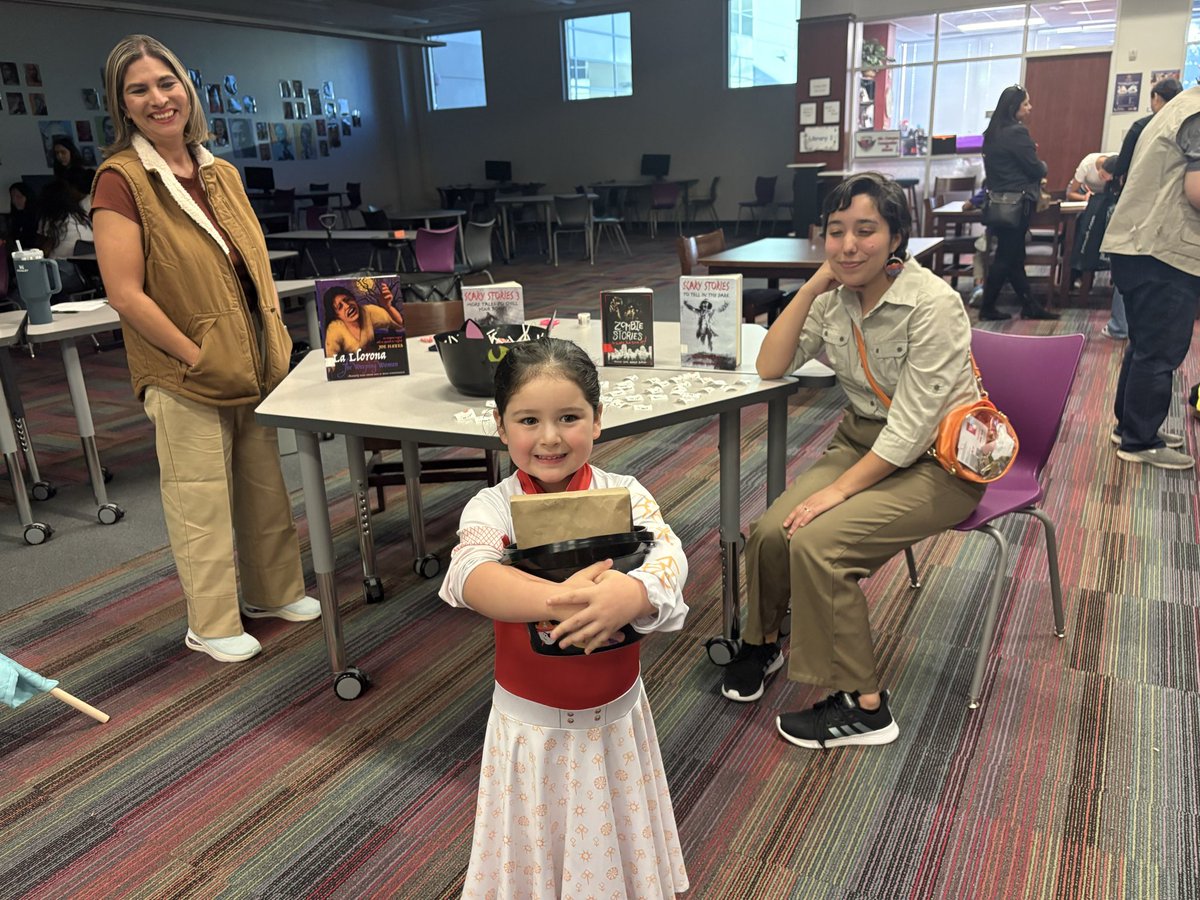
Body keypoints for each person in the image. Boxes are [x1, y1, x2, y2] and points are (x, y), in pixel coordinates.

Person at [721, 173, 985, 749]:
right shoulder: (834, 298)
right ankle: (763, 643)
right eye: (835, 232)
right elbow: (770, 365)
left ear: (896, 238)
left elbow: (911, 430)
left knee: (819, 544)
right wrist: (816, 284)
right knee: (770, 532)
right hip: (861, 443)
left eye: (865, 231)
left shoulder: (933, 304)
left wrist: (835, 492)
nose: (847, 246)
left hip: (939, 462)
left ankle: (864, 706)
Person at [91, 34, 318, 662]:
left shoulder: (220, 172)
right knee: (201, 498)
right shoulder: (120, 180)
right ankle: (211, 623)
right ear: (123, 105)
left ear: (187, 89)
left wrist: (268, 346)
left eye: (167, 83)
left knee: (264, 486)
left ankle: (274, 592)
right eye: (139, 90)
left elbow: (250, 267)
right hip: (183, 369)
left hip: (249, 362)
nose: (158, 99)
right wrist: (196, 356)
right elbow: (125, 293)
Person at [439, 338, 690, 897]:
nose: (550, 437)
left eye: (569, 418)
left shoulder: (625, 493)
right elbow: (469, 574)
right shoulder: (493, 506)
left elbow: (669, 553)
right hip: (532, 729)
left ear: (598, 420)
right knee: (537, 849)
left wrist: (632, 591)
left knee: (613, 844)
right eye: (529, 420)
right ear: (500, 426)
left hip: (615, 719)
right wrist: (562, 600)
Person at [1103, 84, 1200, 471]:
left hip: (1138, 244)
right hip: (1164, 250)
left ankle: (1130, 426)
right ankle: (1140, 440)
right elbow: (1197, 191)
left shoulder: (1180, 105)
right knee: (1159, 350)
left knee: (1144, 344)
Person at [1100, 77, 1184, 341]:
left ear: (1157, 98)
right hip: (1176, 211)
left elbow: (1121, 167)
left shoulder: (1142, 126)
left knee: (1129, 260)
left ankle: (1120, 325)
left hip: (1139, 207)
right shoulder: (1188, 125)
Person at [979, 85, 1059, 321]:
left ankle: (1029, 304)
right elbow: (1035, 168)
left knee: (1013, 256)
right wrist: (1043, 165)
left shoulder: (992, 133)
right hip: (1016, 203)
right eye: (1026, 104)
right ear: (1014, 107)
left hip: (998, 202)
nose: (1030, 108)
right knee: (1006, 257)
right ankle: (987, 307)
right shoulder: (1016, 132)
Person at [321, 282, 403, 356]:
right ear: (336, 316)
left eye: (347, 300)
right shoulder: (334, 328)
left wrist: (388, 307)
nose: (347, 306)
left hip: (375, 364)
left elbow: (399, 323)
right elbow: (330, 360)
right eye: (340, 307)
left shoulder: (367, 312)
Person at [36, 179, 93, 259]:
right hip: (91, 259)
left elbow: (45, 250)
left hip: (64, 260)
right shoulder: (80, 216)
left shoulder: (52, 219)